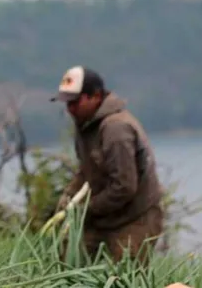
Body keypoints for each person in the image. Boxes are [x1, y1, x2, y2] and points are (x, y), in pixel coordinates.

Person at [52, 65, 165, 265]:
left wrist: (85, 209)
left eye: (75, 102)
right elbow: (87, 171)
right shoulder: (85, 124)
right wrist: (67, 199)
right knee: (69, 264)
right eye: (67, 103)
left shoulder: (116, 128)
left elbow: (124, 187)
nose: (70, 109)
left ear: (95, 96)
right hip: (106, 215)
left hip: (135, 216)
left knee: (123, 276)